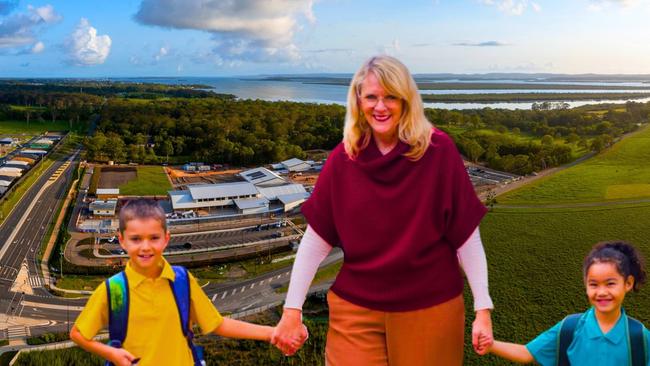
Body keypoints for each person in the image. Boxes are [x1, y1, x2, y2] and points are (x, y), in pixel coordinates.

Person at [273, 55, 494, 365]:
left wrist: (482, 309)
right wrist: (292, 310)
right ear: (358, 101)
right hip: (356, 310)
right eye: (372, 97)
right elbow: (315, 239)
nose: (380, 106)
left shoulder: (439, 152)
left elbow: (466, 238)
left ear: (406, 100)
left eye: (391, 96)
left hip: (429, 309)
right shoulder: (343, 159)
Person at [70, 199, 276, 366]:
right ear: (122, 240)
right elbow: (78, 333)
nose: (145, 247)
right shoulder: (114, 289)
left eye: (154, 238)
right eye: (135, 239)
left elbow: (217, 324)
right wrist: (111, 354)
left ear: (166, 239)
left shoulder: (182, 281)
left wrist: (271, 333)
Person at [483, 241, 649, 365]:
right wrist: (490, 345)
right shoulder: (569, 328)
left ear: (628, 283)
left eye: (610, 283)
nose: (601, 292)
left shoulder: (638, 336)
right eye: (593, 284)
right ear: (586, 286)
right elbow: (527, 353)